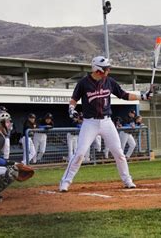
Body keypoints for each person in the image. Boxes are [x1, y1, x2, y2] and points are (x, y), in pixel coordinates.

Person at [59, 55, 152, 192]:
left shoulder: (109, 81)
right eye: (106, 69)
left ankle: (127, 180)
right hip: (90, 123)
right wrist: (71, 109)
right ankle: (65, 182)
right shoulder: (83, 83)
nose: (108, 71)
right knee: (80, 153)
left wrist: (142, 96)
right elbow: (74, 100)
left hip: (107, 122)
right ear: (98, 70)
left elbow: (124, 95)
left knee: (119, 153)